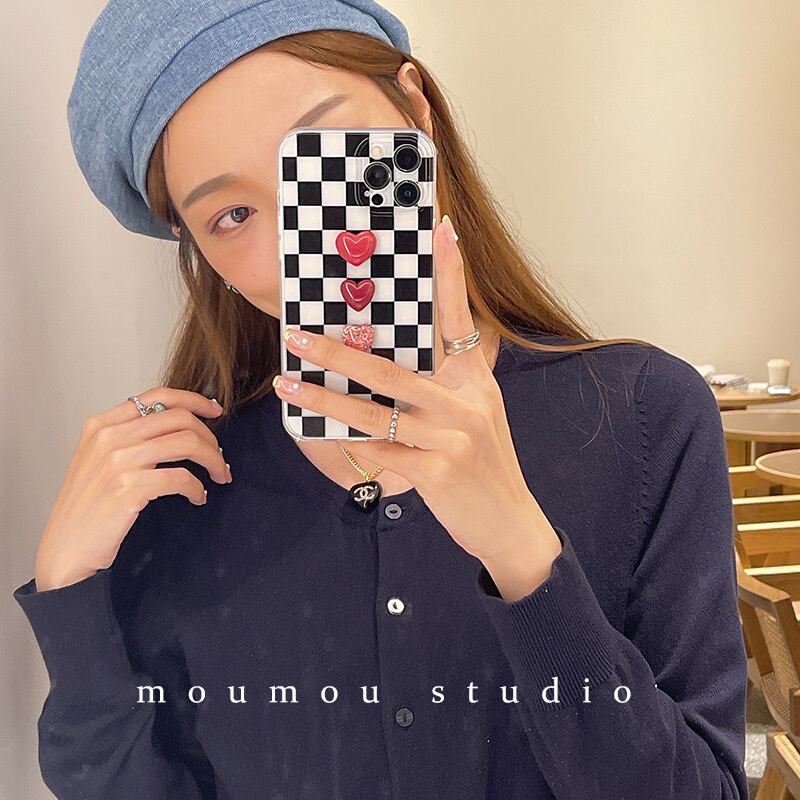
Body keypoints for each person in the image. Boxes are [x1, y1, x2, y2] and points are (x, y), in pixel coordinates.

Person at [13, 1, 749, 798]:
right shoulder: (182, 488)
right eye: (233, 214)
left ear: (416, 113)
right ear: (200, 250)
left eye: (325, 151)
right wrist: (69, 590)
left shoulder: (644, 416)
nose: (310, 235)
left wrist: (518, 548)